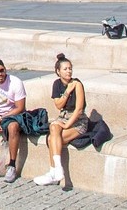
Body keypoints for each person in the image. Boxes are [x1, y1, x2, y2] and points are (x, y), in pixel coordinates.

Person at [33, 53, 89, 186]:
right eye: (65, 69)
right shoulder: (57, 84)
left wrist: (67, 125)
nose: (69, 71)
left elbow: (79, 109)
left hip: (78, 120)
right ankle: (57, 170)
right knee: (53, 128)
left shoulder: (77, 84)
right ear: (58, 71)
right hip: (63, 116)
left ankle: (54, 173)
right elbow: (58, 105)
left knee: (51, 139)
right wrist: (67, 91)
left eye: (70, 68)